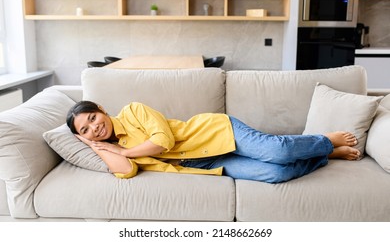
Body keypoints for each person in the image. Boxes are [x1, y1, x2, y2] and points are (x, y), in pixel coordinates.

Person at [66, 101, 360, 183]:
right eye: (86, 130)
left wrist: (125, 150)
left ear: (102, 110)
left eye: (92, 118)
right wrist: (98, 146)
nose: (95, 128)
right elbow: (126, 171)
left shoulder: (133, 111)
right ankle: (326, 155)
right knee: (276, 173)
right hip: (208, 163)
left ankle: (325, 139)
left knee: (276, 151)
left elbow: (163, 140)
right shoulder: (106, 145)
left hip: (216, 132)